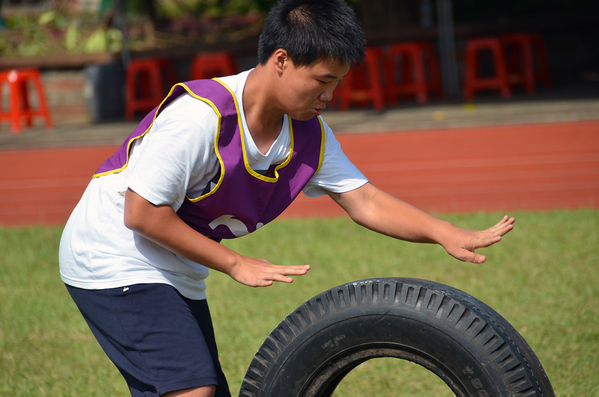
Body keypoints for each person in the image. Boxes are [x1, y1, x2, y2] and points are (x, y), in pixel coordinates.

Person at [59, 0, 515, 396]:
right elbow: (140, 213)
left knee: (197, 388)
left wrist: (444, 233)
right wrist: (235, 263)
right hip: (111, 251)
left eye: (336, 82)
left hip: (170, 264)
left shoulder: (308, 134)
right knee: (188, 387)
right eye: (321, 80)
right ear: (280, 60)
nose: (329, 95)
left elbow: (365, 200)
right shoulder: (200, 117)